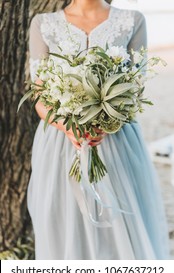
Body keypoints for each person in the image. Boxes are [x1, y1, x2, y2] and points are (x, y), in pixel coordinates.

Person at [28, 0, 170, 259]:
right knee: (63, 219)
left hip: (117, 139)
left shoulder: (132, 20)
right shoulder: (43, 24)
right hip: (59, 143)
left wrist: (106, 122)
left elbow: (136, 88)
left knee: (121, 219)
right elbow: (39, 96)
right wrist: (68, 128)